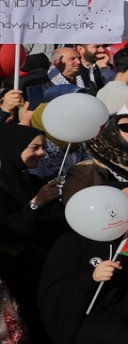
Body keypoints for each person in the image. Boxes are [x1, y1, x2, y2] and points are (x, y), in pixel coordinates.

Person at [0, 124, 64, 341]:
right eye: (34, 148)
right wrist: (36, 204)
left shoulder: (31, 180)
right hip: (15, 277)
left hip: (44, 270)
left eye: (43, 147)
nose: (41, 153)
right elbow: (7, 231)